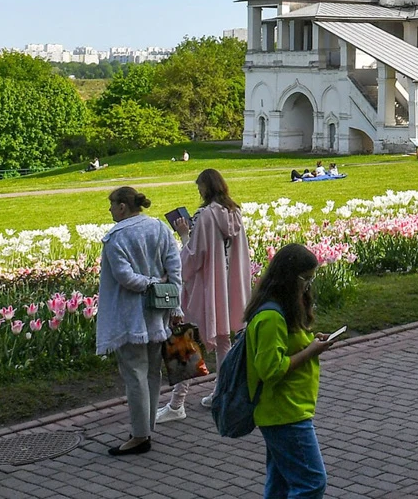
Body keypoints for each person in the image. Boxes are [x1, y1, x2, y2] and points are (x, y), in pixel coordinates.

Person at [245, 243, 338, 499]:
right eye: (305, 279)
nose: (308, 286)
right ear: (288, 278)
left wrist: (311, 341)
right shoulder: (270, 318)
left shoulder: (281, 312)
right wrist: (311, 351)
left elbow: (286, 346)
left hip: (289, 408)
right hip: (284, 413)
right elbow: (270, 370)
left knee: (280, 484)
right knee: (312, 482)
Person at [95, 186, 181, 456]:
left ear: (122, 207)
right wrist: (173, 301)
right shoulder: (159, 228)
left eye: (111, 205)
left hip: (130, 316)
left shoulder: (115, 237)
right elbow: (175, 267)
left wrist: (152, 284)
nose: (109, 210)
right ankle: (145, 427)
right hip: (158, 313)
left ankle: (141, 435)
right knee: (152, 373)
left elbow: (125, 278)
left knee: (135, 375)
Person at [160, 168, 250, 422]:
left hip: (204, 287)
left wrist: (184, 234)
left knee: (184, 341)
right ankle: (221, 393)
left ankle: (177, 404)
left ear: (206, 188)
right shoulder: (235, 212)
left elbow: (194, 256)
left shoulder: (204, 215)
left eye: (199, 187)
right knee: (223, 341)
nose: (198, 191)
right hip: (228, 287)